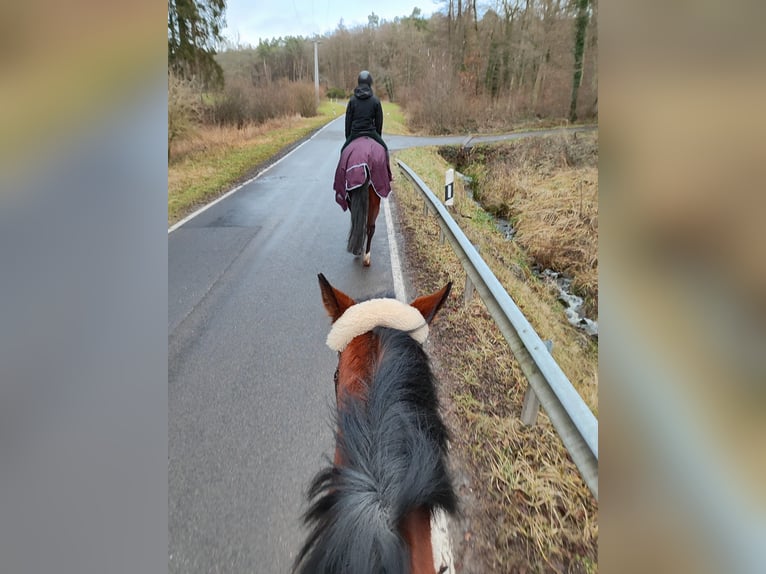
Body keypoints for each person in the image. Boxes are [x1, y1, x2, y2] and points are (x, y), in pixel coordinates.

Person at [344, 70, 386, 151]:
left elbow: (348, 122)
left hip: (355, 132)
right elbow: (379, 123)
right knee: (385, 149)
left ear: (359, 82)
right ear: (370, 82)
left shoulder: (352, 101)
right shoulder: (375, 101)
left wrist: (348, 138)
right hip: (371, 132)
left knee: (343, 151)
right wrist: (378, 137)